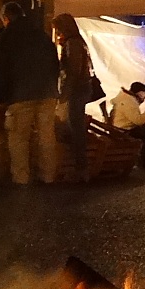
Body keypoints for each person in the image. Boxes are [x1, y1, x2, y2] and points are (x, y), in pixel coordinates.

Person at [0, 1, 59, 186]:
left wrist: (0, 98)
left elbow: (0, 70)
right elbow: (55, 63)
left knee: (18, 138)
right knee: (46, 136)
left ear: (6, 19)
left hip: (20, 95)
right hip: (47, 93)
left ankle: (22, 178)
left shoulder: (6, 39)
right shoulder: (41, 35)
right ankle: (48, 176)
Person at [52, 13, 92, 183]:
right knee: (75, 126)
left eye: (58, 29)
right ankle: (79, 166)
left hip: (77, 90)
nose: (58, 32)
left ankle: (80, 167)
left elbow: (73, 72)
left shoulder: (73, 43)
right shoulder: (78, 41)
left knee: (75, 127)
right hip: (82, 88)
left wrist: (64, 94)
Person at [110, 81, 145, 167]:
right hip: (124, 131)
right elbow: (138, 120)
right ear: (140, 93)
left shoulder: (126, 99)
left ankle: (144, 159)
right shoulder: (128, 101)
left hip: (121, 129)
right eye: (144, 93)